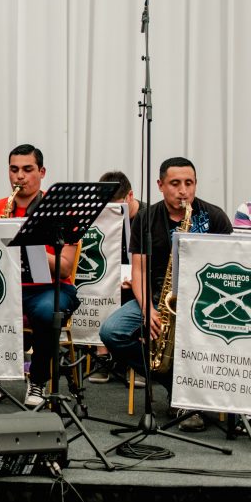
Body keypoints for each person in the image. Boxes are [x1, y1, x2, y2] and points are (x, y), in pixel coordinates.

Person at [99, 157, 232, 432]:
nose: (183, 191)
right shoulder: (147, 219)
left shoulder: (215, 217)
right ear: (160, 185)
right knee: (112, 331)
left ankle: (191, 394)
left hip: (203, 300)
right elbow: (139, 272)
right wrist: (148, 309)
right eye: (175, 183)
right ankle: (174, 382)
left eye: (189, 183)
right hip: (158, 297)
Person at [0, 145, 80, 407]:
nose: (20, 177)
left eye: (28, 170)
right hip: (10, 286)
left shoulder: (61, 208)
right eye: (14, 170)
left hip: (51, 287)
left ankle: (38, 379)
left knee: (47, 313)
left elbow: (65, 267)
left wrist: (29, 244)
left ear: (42, 172)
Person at [87, 170, 145, 384]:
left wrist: (135, 279)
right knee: (100, 286)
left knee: (134, 294)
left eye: (117, 207)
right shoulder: (101, 216)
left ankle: (137, 362)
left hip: (139, 280)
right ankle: (102, 356)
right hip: (113, 279)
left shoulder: (148, 216)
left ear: (130, 196)